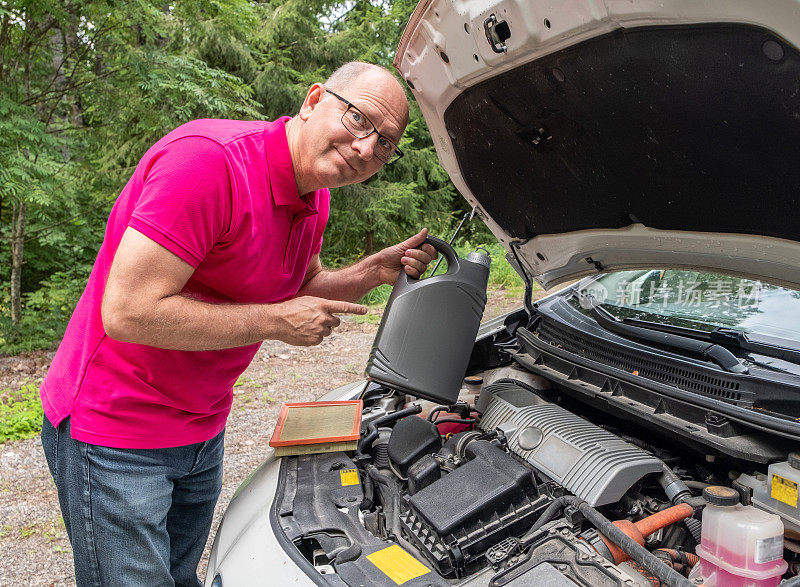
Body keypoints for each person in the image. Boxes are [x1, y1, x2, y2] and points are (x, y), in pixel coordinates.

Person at [39, 61, 436, 586]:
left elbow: (297, 284)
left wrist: (369, 273)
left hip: (201, 427)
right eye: (359, 119)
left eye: (386, 143)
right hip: (116, 431)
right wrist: (274, 322)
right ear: (314, 99)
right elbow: (129, 311)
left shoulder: (313, 196)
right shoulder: (209, 163)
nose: (367, 150)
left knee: (181, 578)